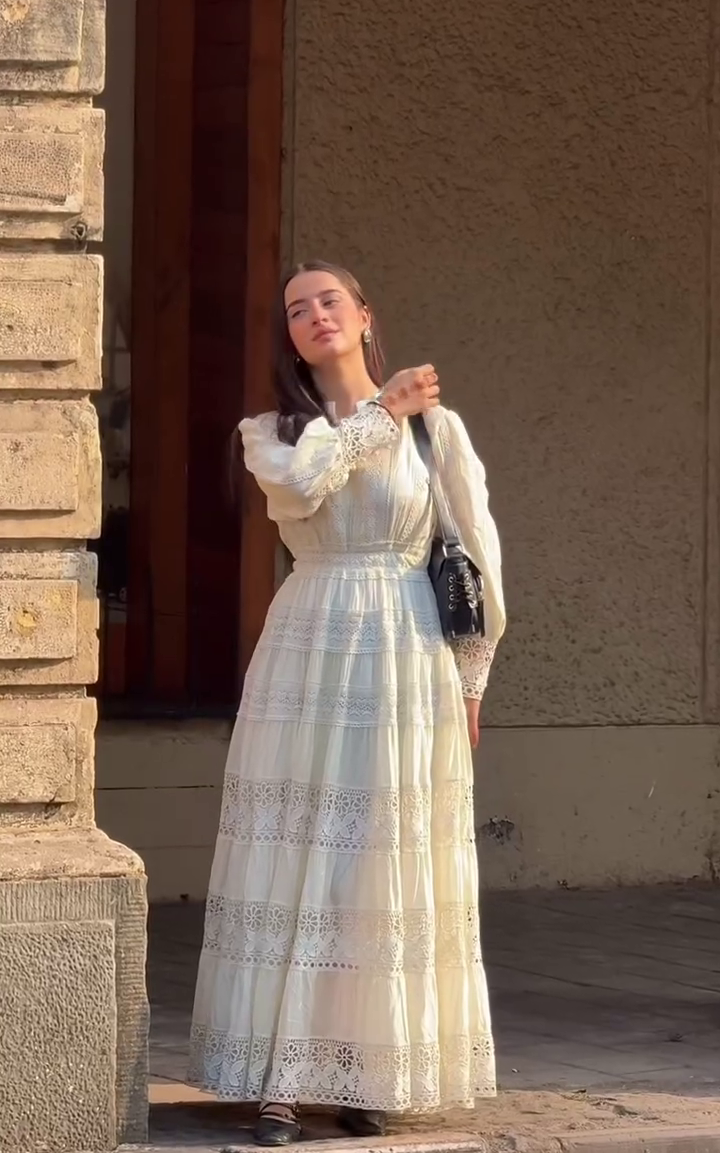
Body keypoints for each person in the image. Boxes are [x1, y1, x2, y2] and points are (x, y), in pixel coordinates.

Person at [188, 261, 506, 1145]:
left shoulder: (438, 432)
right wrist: (379, 413)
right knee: (300, 853)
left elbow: (471, 556)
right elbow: (301, 490)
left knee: (380, 856)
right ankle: (284, 1082)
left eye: (329, 300)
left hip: (408, 654)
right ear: (289, 336)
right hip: (310, 641)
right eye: (296, 309)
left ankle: (368, 1071)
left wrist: (472, 677)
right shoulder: (272, 432)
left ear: (366, 316)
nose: (313, 315)